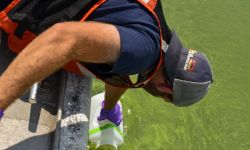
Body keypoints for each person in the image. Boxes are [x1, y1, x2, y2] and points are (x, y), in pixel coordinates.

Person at [0, 0, 213, 126]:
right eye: (166, 99)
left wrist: (108, 108)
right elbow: (63, 39)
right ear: (166, 89)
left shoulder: (153, 16)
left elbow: (120, 67)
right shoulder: (145, 53)